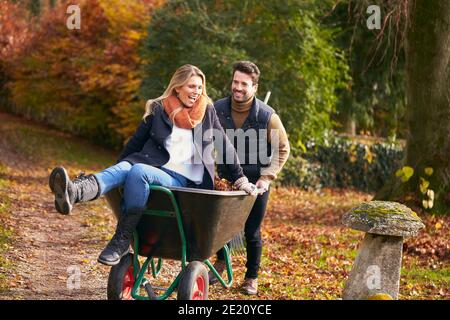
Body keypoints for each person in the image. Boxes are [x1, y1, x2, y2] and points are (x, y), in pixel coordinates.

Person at [49, 64, 257, 266]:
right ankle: (76, 191)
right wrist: (118, 175)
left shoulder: (206, 112)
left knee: (137, 171)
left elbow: (224, 145)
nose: (197, 92)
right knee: (127, 168)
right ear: (178, 87)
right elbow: (135, 144)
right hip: (154, 167)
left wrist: (240, 178)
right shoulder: (159, 109)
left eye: (200, 87)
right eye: (191, 86)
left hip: (184, 180)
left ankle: (122, 239)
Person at [211, 61, 290, 295]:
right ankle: (222, 263)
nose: (238, 87)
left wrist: (267, 178)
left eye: (244, 84)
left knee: (251, 230)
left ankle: (251, 277)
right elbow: (203, 141)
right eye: (235, 82)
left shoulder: (267, 116)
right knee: (221, 225)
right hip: (225, 178)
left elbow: (283, 148)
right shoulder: (217, 109)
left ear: (254, 87)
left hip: (256, 182)